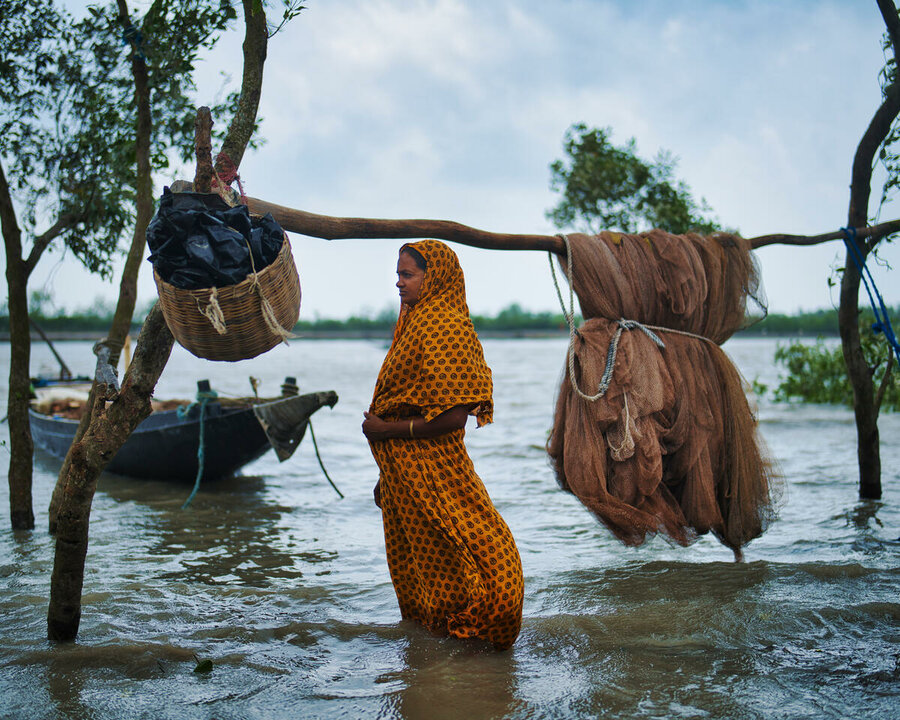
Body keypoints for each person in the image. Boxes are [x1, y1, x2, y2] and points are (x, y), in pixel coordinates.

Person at [362, 239, 524, 650]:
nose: (398, 283)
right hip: (404, 470)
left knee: (486, 550)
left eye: (407, 275)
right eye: (398, 274)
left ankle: (480, 637)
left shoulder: (446, 325)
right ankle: (441, 649)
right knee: (423, 563)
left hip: (436, 465)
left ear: (435, 279)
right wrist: (389, 471)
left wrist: (386, 431)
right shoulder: (415, 322)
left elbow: (452, 417)